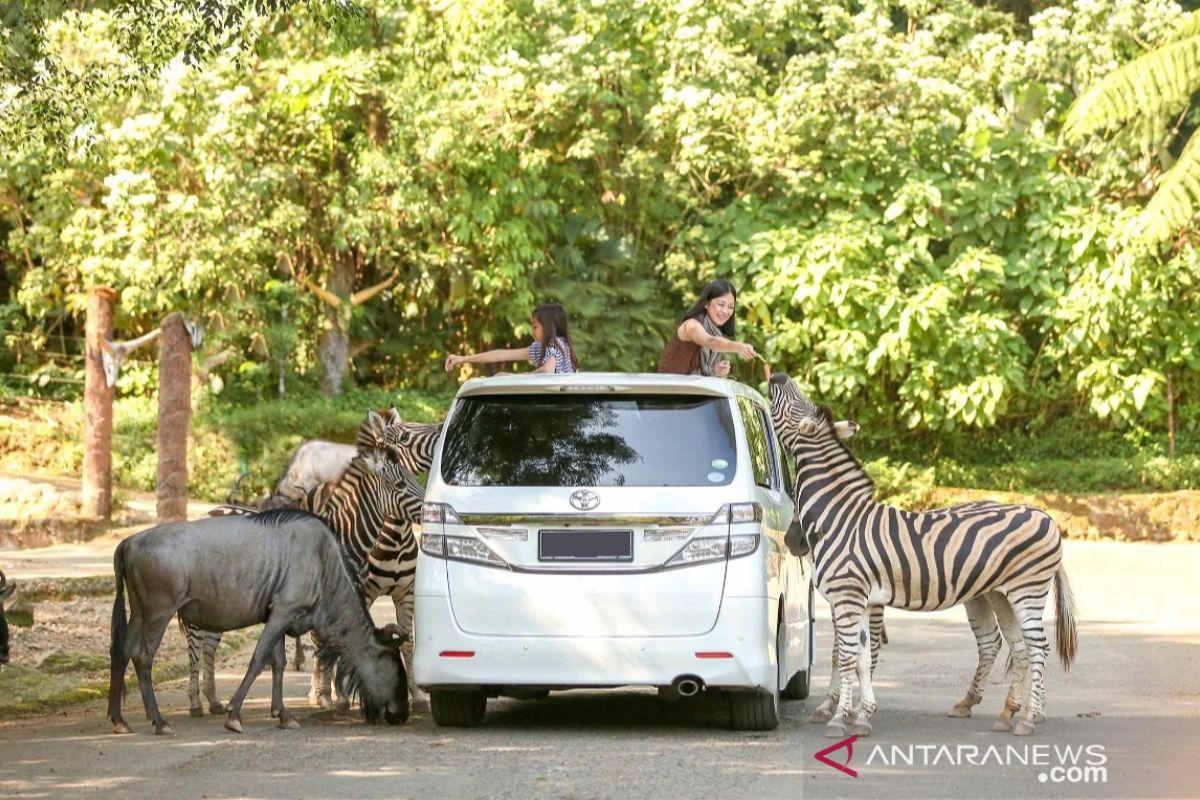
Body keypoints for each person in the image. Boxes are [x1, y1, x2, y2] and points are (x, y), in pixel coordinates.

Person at [445, 302, 580, 375]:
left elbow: (547, 371)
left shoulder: (556, 344)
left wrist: (513, 378)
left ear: (548, 327)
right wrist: (462, 359)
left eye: (535, 327)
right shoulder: (543, 348)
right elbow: (501, 355)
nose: (532, 331)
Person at [658, 279, 757, 376]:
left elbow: (694, 374)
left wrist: (714, 370)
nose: (725, 311)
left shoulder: (716, 332)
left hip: (689, 390)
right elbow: (711, 341)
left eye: (730, 307)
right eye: (721, 304)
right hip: (668, 389)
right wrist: (739, 347)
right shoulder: (691, 326)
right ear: (706, 303)